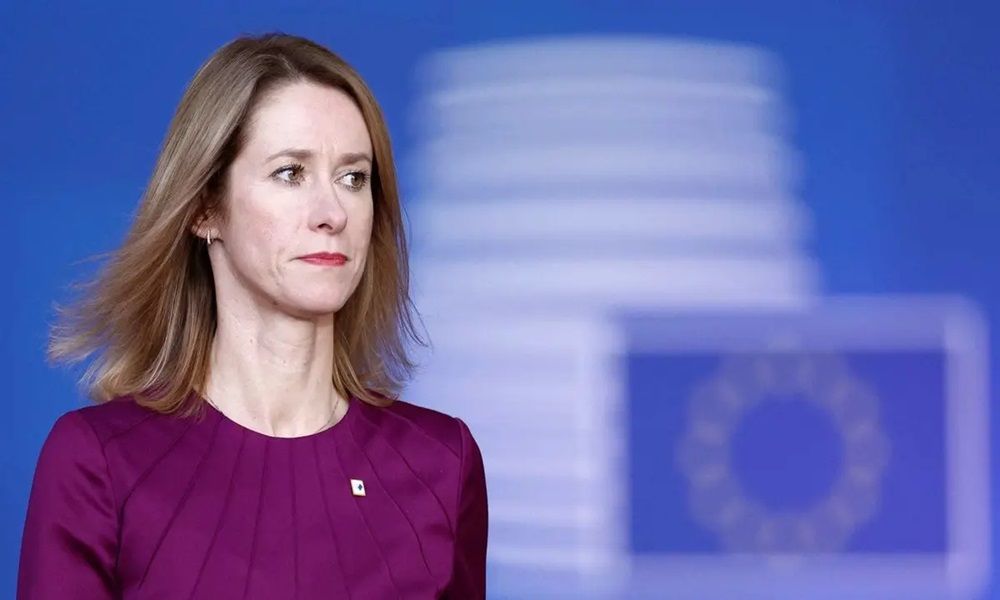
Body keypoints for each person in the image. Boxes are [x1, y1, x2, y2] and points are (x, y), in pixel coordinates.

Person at [17, 32, 488, 599]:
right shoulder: (99, 462)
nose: (332, 213)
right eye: (290, 172)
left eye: (353, 178)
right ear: (205, 208)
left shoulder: (440, 464)